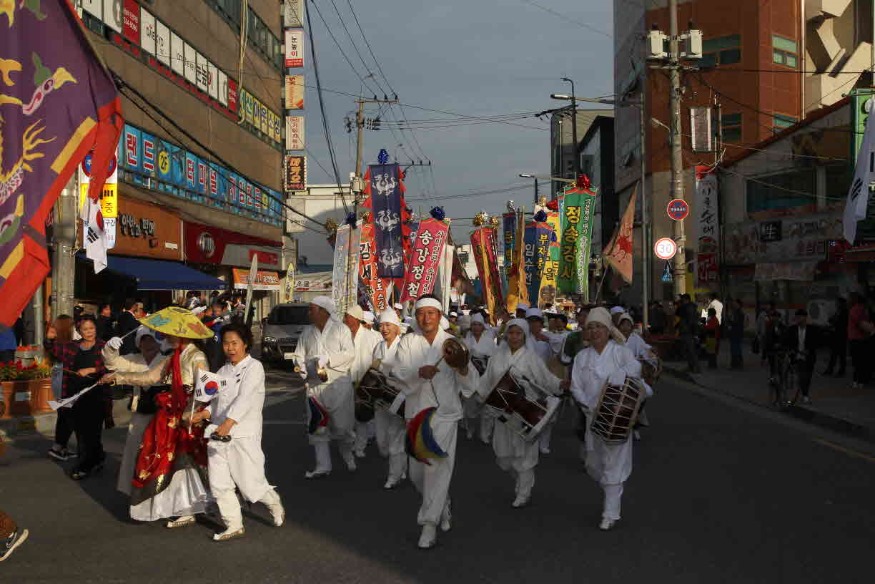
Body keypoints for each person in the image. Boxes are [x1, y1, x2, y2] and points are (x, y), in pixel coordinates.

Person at [393, 295, 479, 549]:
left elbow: (470, 382)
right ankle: (442, 503)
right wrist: (418, 373)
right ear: (416, 316)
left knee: (437, 469)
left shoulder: (452, 344)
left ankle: (428, 525)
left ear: (440, 315)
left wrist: (461, 369)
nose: (426, 318)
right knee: (417, 473)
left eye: (432, 313)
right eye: (421, 313)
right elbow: (397, 374)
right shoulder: (408, 342)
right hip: (416, 414)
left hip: (445, 416)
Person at [102, 328, 211, 527]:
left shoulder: (197, 356)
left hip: (187, 415)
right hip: (171, 415)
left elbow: (203, 389)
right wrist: (117, 377)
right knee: (171, 463)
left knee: (184, 463)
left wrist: (191, 413)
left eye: (170, 334)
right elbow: (151, 377)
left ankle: (192, 506)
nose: (166, 337)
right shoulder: (174, 356)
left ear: (182, 334)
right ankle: (184, 508)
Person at [189, 323, 285, 541]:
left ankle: (272, 501)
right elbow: (218, 403)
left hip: (243, 433)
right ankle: (233, 523)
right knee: (219, 482)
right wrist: (204, 415)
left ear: (245, 344)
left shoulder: (255, 368)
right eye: (226, 343)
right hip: (218, 434)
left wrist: (229, 423)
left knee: (250, 482)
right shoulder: (222, 371)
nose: (230, 348)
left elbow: (246, 398)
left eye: (235, 343)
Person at [570, 307, 647, 531]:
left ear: (608, 330)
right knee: (594, 464)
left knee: (614, 464)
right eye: (590, 327)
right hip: (592, 418)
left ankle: (610, 512)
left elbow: (636, 366)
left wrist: (623, 373)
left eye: (599, 327)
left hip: (617, 420)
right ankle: (609, 492)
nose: (594, 331)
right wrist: (585, 403)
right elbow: (575, 386)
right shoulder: (581, 357)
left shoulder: (619, 352)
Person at [477, 319, 566, 508]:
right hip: (502, 413)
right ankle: (520, 479)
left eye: (518, 333)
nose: (514, 337)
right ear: (506, 335)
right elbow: (485, 381)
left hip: (526, 412)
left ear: (524, 336)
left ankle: (524, 491)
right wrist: (476, 391)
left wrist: (559, 384)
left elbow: (545, 378)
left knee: (524, 457)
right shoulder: (496, 358)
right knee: (503, 457)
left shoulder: (532, 358)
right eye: (511, 333)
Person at [291, 296, 357, 478]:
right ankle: (323, 466)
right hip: (314, 386)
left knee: (342, 427)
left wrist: (329, 359)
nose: (309, 312)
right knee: (317, 427)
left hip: (338, 386)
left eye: (312, 309)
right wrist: (302, 368)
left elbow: (350, 354)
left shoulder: (341, 329)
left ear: (324, 311)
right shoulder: (307, 332)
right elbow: (298, 355)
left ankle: (347, 450)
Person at [102, 326, 166, 496]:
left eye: (151, 339)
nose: (148, 343)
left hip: (163, 413)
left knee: (160, 453)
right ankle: (133, 489)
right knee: (133, 449)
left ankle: (160, 491)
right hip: (142, 411)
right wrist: (110, 348)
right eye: (144, 340)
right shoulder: (134, 359)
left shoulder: (166, 359)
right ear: (138, 343)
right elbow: (111, 363)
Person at [45, 315, 107, 479]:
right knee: (81, 431)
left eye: (91, 328)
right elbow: (56, 351)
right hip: (75, 394)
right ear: (79, 331)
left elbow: (111, 366)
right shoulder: (73, 346)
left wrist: (91, 370)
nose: (89, 332)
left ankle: (86, 464)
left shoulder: (104, 346)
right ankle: (93, 459)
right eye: (85, 329)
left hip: (96, 394)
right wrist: (50, 339)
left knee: (92, 431)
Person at [371, 309, 408, 489]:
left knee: (395, 439)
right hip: (380, 399)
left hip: (398, 398)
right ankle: (402, 464)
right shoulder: (378, 347)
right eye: (382, 325)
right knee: (382, 442)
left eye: (388, 325)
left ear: (397, 328)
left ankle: (394, 476)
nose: (384, 329)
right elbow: (373, 370)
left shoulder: (404, 346)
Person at [344, 305, 381, 458]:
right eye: (345, 317)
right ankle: (351, 440)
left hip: (365, 382)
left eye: (348, 317)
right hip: (344, 382)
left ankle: (359, 446)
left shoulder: (372, 337)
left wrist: (371, 379)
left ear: (356, 319)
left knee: (362, 416)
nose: (345, 320)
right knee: (345, 416)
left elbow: (378, 360)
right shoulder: (342, 335)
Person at [462, 313, 497, 441]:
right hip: (470, 380)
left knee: (487, 411)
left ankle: (485, 434)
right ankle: (470, 428)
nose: (476, 327)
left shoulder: (489, 343)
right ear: (471, 327)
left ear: (483, 327)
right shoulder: (465, 341)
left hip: (486, 379)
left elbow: (494, 361)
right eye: (474, 325)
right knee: (470, 411)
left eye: (479, 325)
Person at [782, 309, 820, 405]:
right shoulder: (792, 329)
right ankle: (805, 395)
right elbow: (786, 342)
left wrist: (809, 349)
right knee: (802, 375)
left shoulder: (812, 329)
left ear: (805, 318)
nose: (798, 319)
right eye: (797, 317)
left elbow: (817, 342)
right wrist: (790, 351)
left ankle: (804, 392)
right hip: (797, 356)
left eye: (800, 317)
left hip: (809, 357)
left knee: (808, 376)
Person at [847, 293, 873, 389]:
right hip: (860, 339)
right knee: (861, 361)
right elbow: (863, 324)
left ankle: (856, 381)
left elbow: (860, 324)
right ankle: (860, 381)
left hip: (855, 339)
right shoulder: (861, 310)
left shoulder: (855, 310)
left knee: (857, 361)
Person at [823, 297, 848, 377]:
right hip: (836, 335)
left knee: (841, 354)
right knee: (834, 353)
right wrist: (831, 320)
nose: (836, 304)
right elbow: (832, 319)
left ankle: (841, 370)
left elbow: (841, 323)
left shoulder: (845, 312)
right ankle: (830, 369)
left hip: (841, 335)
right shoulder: (838, 311)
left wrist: (833, 323)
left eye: (838, 303)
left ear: (842, 304)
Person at [677, 294, 700, 374]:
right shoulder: (686, 308)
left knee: (691, 350)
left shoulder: (689, 308)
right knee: (688, 350)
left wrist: (694, 332)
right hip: (686, 330)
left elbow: (691, 321)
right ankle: (691, 366)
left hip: (688, 331)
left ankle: (696, 367)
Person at [726, 299, 746, 370]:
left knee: (735, 348)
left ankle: (736, 364)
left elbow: (736, 322)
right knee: (736, 348)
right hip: (736, 333)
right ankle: (737, 363)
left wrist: (730, 321)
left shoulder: (738, 313)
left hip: (736, 333)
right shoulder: (736, 312)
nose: (733, 305)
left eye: (735, 303)